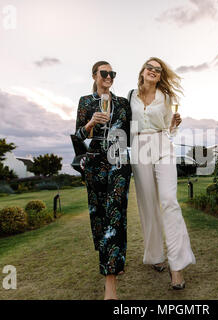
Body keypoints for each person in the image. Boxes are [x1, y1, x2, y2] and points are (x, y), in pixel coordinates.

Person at [128, 57, 196, 290]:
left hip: (162, 147)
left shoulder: (166, 98)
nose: (153, 71)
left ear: (160, 75)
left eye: (158, 70)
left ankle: (176, 267)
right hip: (138, 148)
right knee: (148, 205)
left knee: (169, 201)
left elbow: (169, 129)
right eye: (150, 67)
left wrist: (175, 123)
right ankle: (155, 255)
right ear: (143, 71)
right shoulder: (130, 97)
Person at [75, 61, 132, 300]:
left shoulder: (123, 104)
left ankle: (110, 286)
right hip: (95, 163)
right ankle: (108, 256)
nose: (109, 77)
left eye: (112, 74)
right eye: (104, 73)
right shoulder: (85, 102)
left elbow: (132, 135)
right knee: (99, 217)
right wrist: (90, 124)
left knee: (114, 214)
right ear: (94, 75)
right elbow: (78, 136)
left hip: (119, 162)